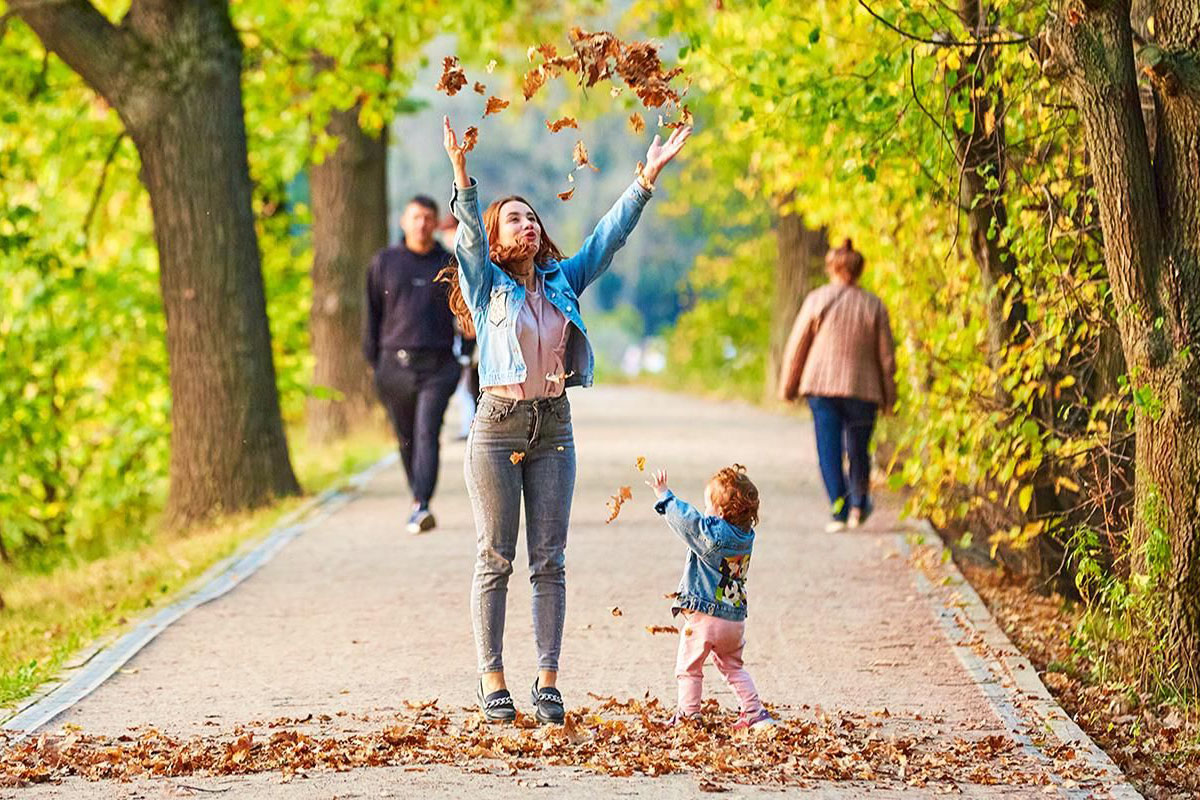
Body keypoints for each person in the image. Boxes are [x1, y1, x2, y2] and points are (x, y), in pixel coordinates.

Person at [441, 115, 691, 724]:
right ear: (500, 238)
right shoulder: (485, 286)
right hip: (497, 426)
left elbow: (607, 239)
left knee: (548, 558)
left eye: (533, 217)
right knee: (495, 556)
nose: (527, 224)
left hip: (554, 426)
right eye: (515, 219)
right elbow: (468, 239)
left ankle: (547, 681)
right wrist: (461, 174)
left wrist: (646, 179)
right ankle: (492, 678)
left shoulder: (561, 280)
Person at [778, 239, 897, 533]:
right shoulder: (874, 305)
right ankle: (858, 504)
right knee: (858, 449)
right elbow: (887, 358)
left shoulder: (817, 299)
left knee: (828, 450)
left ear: (832, 267)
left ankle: (839, 510)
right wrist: (889, 397)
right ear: (859, 269)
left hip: (821, 388)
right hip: (863, 390)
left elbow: (798, 347)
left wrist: (788, 388)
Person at [645, 464, 775, 731]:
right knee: (734, 667)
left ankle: (689, 716)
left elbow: (688, 522)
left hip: (706, 617)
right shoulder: (746, 536)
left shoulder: (712, 535)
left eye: (708, 506)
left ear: (719, 512)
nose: (705, 511)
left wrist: (664, 496)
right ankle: (755, 713)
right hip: (734, 618)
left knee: (689, 667)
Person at [363, 195, 460, 534]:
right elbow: (372, 314)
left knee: (427, 430)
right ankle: (417, 497)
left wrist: (469, 349)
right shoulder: (384, 262)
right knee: (405, 437)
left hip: (438, 364)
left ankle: (421, 502)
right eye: (416, 217)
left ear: (436, 224)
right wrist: (374, 362)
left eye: (428, 218)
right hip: (394, 364)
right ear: (404, 221)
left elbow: (464, 310)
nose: (422, 224)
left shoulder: (448, 263)